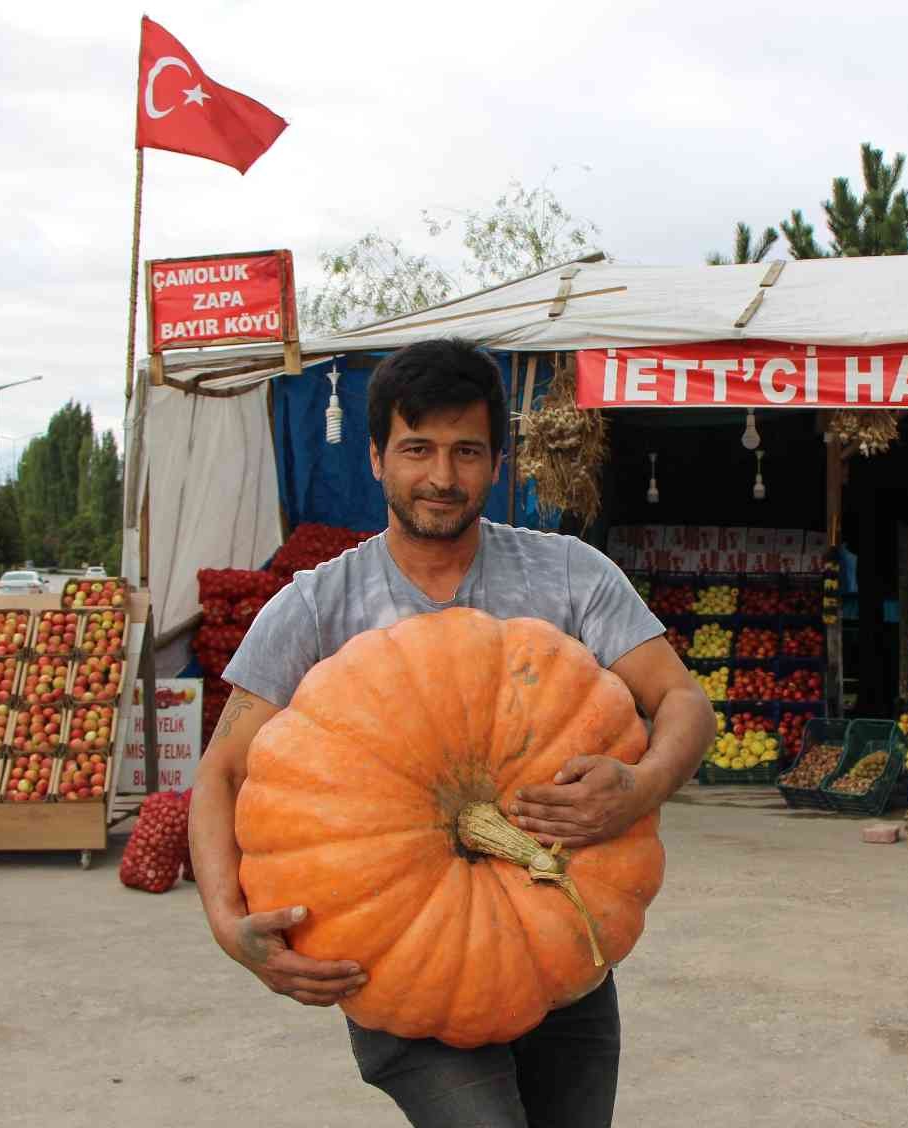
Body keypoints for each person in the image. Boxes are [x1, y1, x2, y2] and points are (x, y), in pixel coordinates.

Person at [188, 338, 713, 1127]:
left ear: (498, 463)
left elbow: (683, 702)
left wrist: (641, 786)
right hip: (401, 962)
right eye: (418, 450)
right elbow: (223, 771)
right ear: (376, 459)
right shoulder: (314, 607)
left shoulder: (571, 576)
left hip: (566, 939)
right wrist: (230, 927)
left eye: (467, 451)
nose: (442, 477)